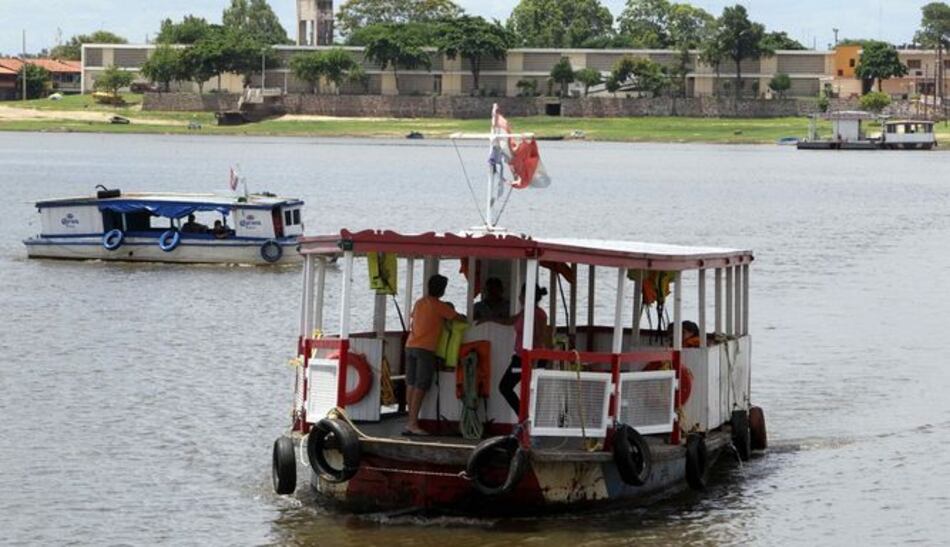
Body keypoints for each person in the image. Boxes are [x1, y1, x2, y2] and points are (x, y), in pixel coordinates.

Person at [403, 275, 463, 436]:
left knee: (411, 383)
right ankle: (413, 423)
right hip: (425, 349)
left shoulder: (420, 302)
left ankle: (409, 420)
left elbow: (413, 317)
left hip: (410, 345)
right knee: (421, 385)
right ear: (442, 290)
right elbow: (459, 318)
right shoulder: (439, 306)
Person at [484, 283, 548, 414]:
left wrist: (535, 359)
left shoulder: (538, 314)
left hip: (530, 357)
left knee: (506, 387)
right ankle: (524, 417)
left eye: (521, 294)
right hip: (521, 356)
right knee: (508, 387)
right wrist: (490, 318)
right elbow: (510, 320)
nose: (519, 297)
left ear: (526, 296)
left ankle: (524, 417)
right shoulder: (525, 312)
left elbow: (540, 337)